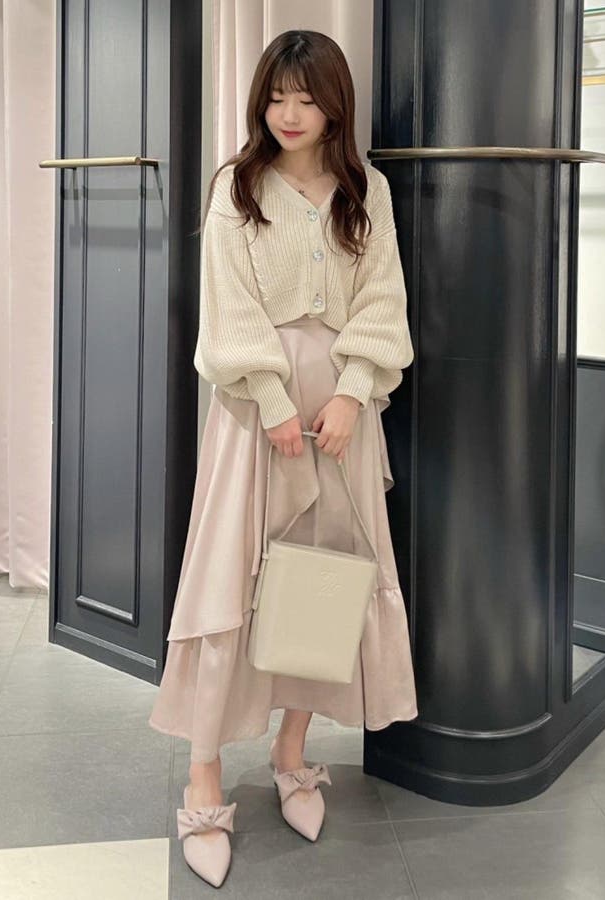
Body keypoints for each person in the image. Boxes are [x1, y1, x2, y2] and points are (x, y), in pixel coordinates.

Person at [147, 28, 418, 888]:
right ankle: (203, 777)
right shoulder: (238, 186)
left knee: (324, 577)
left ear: (335, 105)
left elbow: (383, 300)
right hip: (253, 408)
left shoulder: (366, 190)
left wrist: (352, 392)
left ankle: (293, 750)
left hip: (342, 411)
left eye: (306, 99)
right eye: (276, 97)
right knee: (230, 579)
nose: (289, 114)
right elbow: (227, 309)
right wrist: (271, 403)